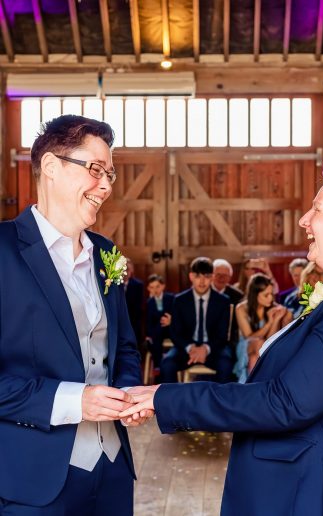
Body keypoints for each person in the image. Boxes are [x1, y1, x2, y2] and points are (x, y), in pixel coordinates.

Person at [122, 158, 323, 516]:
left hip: (309, 495)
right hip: (298, 485)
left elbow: (286, 403)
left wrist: (165, 396)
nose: (304, 220)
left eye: (317, 209)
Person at [0, 115, 143, 516]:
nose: (106, 186)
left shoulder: (105, 252)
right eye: (95, 169)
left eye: (110, 174)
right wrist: (73, 401)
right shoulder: (3, 250)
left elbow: (124, 347)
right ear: (50, 166)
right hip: (33, 479)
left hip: (113, 468)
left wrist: (127, 394)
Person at [160, 257, 233, 383]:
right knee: (167, 364)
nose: (202, 281)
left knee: (226, 364)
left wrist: (205, 349)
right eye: (198, 276)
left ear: (212, 277)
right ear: (191, 277)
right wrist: (190, 348)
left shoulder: (222, 301)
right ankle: (174, 396)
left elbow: (222, 335)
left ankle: (219, 396)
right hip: (187, 348)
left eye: (206, 276)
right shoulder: (180, 300)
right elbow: (175, 332)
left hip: (212, 348)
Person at [234, 273, 292, 382]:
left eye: (271, 294)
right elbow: (249, 336)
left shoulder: (275, 308)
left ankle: (252, 384)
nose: (270, 298)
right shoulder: (241, 308)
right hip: (246, 346)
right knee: (259, 343)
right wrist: (269, 322)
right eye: (266, 295)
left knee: (255, 356)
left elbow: (270, 340)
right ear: (255, 294)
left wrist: (276, 320)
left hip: (264, 348)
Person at [212, 258, 244, 349]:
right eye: (218, 274)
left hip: (229, 340)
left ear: (230, 277)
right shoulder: (204, 292)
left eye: (225, 275)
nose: (221, 278)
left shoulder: (238, 296)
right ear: (211, 275)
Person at [145, 274, 174, 369]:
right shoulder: (149, 302)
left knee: (158, 330)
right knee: (155, 333)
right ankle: (159, 365)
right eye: (152, 287)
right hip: (158, 331)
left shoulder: (171, 298)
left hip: (171, 328)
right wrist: (149, 335)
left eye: (157, 286)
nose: (155, 290)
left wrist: (171, 320)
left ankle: (164, 363)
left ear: (163, 286)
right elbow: (149, 321)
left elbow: (179, 315)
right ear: (149, 289)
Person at [124, 258, 144, 345]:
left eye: (127, 269)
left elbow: (138, 308)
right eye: (122, 269)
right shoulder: (113, 284)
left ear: (131, 271)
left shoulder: (138, 285)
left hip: (133, 321)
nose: (124, 272)